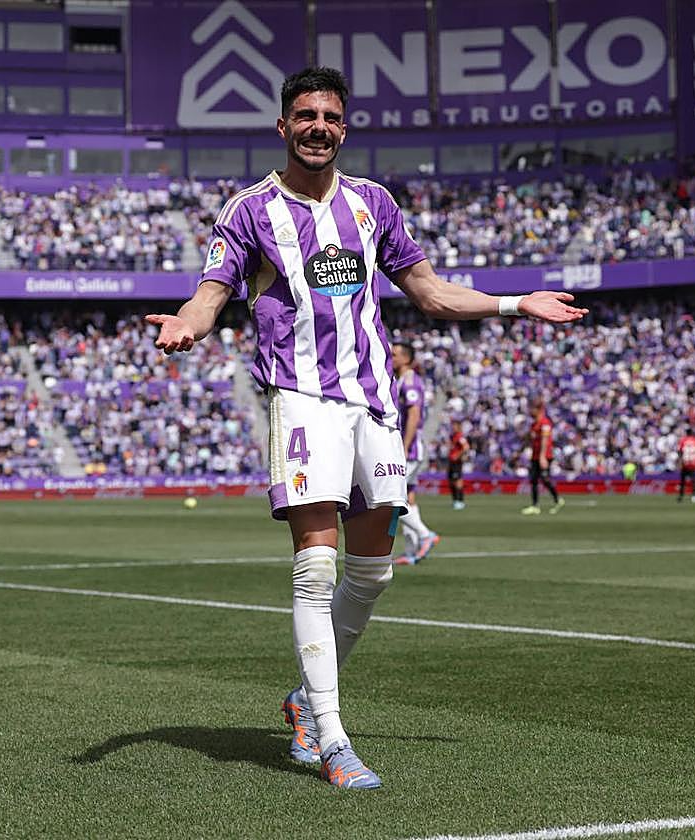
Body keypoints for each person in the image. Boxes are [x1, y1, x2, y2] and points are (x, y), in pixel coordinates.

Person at [144, 66, 586, 789]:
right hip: (304, 397)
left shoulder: (374, 204)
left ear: (343, 128)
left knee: (373, 571)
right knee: (317, 565)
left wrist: (515, 304)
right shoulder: (250, 210)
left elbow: (432, 293)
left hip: (373, 402)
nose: (318, 127)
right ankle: (332, 737)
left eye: (330, 117)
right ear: (283, 127)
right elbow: (212, 292)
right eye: (305, 115)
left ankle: (300, 704)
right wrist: (188, 326)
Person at [390, 342, 439, 565]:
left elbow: (414, 414)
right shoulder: (401, 379)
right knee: (408, 497)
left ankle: (424, 534)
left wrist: (404, 444)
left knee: (392, 497)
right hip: (408, 447)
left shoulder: (409, 381)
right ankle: (411, 550)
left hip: (409, 449)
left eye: (395, 355)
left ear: (407, 359)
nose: (391, 357)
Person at [521, 397, 564, 515]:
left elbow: (545, 440)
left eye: (532, 408)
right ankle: (535, 505)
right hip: (535, 456)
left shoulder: (545, 423)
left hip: (544, 456)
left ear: (538, 409)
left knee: (545, 479)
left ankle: (557, 499)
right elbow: (530, 439)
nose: (530, 411)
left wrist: (542, 456)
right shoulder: (534, 424)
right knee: (534, 480)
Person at [447, 419, 469, 510]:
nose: (453, 427)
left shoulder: (460, 436)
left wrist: (458, 455)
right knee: (451, 481)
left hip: (457, 462)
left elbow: (466, 447)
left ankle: (460, 501)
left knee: (458, 481)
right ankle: (455, 500)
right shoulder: (453, 436)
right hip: (451, 461)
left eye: (455, 426)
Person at [677, 427, 695, 503]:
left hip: (685, 462)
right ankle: (694, 496)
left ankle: (681, 496)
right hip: (693, 463)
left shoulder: (683, 440)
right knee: (693, 481)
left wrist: (680, 461)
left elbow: (680, 451)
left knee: (683, 481)